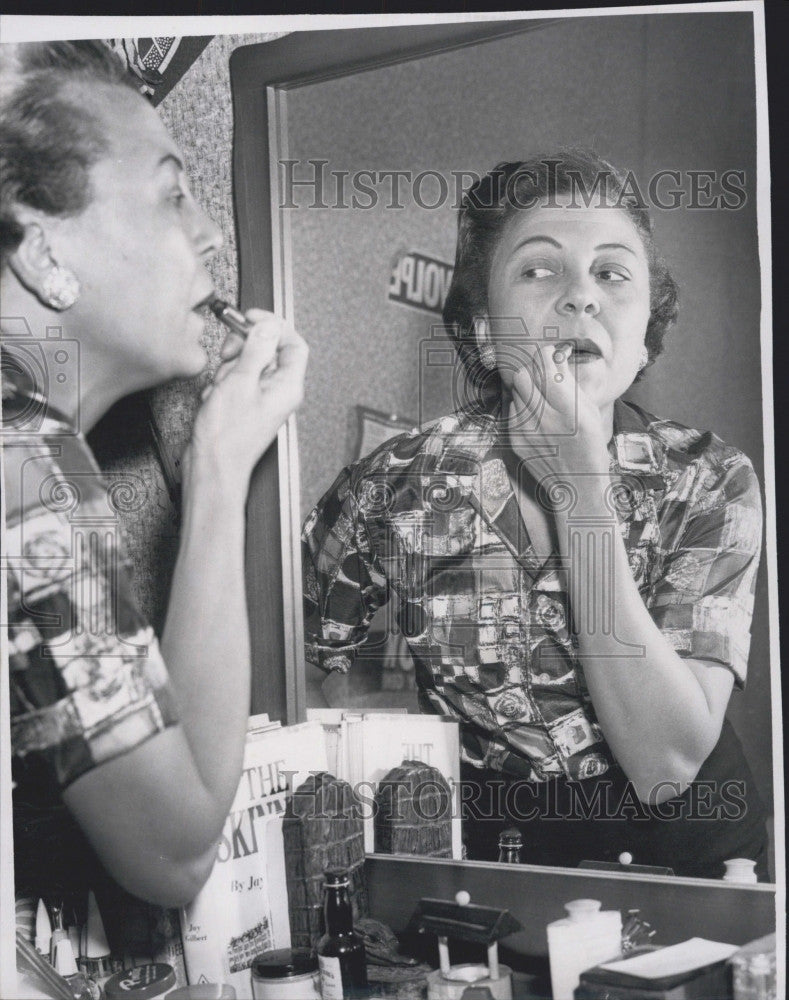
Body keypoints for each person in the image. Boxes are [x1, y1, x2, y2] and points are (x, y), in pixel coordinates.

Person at [302, 151, 768, 879]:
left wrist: (579, 488)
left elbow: (665, 767)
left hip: (690, 859)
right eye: (538, 269)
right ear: (485, 331)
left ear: (645, 333)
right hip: (498, 858)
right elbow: (301, 663)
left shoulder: (708, 480)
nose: (580, 296)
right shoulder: (398, 480)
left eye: (612, 273)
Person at [1, 39, 308, 918]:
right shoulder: (22, 464)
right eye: (173, 194)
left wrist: (217, 456)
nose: (210, 231)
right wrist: (218, 479)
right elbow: (173, 850)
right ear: (41, 250)